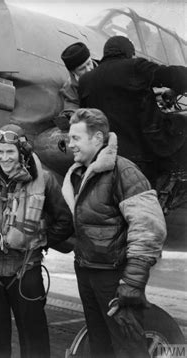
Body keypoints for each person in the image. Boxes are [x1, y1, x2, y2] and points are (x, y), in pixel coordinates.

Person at [62, 108, 166, 357]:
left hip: (113, 276)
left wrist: (132, 282)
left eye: (76, 138)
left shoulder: (124, 171)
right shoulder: (78, 174)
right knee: (100, 344)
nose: (70, 144)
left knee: (129, 346)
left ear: (97, 138)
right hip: (88, 271)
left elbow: (149, 229)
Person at [0, 124, 73, 358]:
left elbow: (65, 221)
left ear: (21, 151)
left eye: (10, 152)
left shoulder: (44, 180)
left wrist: (41, 242)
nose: (4, 157)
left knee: (34, 341)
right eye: (0, 151)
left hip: (26, 270)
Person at [78, 35, 187, 183]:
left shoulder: (85, 81)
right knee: (181, 121)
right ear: (128, 53)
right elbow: (179, 76)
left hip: (106, 155)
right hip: (142, 153)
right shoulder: (135, 67)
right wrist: (174, 91)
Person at [58, 42, 96, 121]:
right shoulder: (70, 88)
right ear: (73, 72)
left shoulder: (107, 71)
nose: (88, 69)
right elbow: (72, 108)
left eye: (89, 63)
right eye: (82, 68)